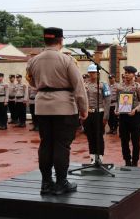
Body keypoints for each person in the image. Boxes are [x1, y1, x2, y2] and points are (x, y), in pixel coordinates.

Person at [26, 27, 88, 195]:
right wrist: (84, 109)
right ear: (61, 40)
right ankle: (61, 183)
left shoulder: (33, 60)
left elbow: (31, 82)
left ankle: (46, 183)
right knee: (61, 145)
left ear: (45, 40)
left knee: (46, 144)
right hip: (64, 106)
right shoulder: (67, 60)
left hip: (42, 106)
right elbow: (79, 87)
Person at [116, 66, 140, 167]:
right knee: (124, 140)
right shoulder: (120, 87)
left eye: (129, 73)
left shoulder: (138, 87)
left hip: (134, 117)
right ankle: (127, 161)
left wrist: (136, 110)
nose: (127, 74)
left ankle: (135, 161)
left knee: (135, 141)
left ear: (134, 75)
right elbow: (118, 101)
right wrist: (117, 109)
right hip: (123, 117)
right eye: (125, 72)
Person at [84, 64, 111, 164]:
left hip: (99, 113)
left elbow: (107, 101)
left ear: (98, 73)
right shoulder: (85, 85)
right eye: (90, 72)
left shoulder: (103, 85)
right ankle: (92, 157)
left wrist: (106, 116)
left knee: (98, 136)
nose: (92, 74)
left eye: (94, 72)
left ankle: (100, 157)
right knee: (90, 135)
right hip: (88, 113)